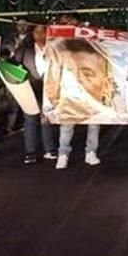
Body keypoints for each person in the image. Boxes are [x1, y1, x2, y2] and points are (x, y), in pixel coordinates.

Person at [46, 15, 108, 170]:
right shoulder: (61, 46)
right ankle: (63, 155)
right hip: (70, 93)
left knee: (93, 124)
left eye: (73, 22)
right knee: (67, 125)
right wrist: (53, 97)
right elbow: (54, 71)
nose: (70, 25)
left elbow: (104, 71)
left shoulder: (95, 48)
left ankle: (91, 153)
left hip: (91, 93)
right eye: (66, 22)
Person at [12, 23, 57, 166]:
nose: (39, 35)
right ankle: (30, 152)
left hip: (49, 87)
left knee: (47, 118)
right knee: (30, 119)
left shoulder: (54, 48)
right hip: (30, 88)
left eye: (43, 32)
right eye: (36, 32)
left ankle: (49, 149)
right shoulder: (25, 50)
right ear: (32, 34)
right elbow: (13, 64)